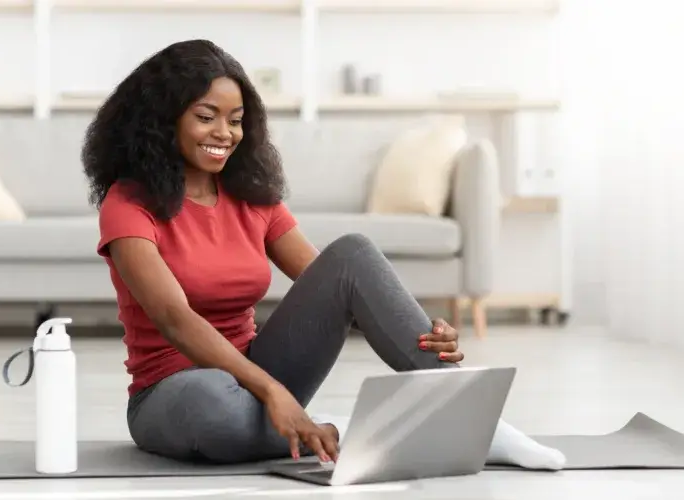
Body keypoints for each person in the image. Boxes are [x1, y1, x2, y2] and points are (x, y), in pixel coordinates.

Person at [82, 39, 566, 470]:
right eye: (206, 117)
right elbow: (173, 318)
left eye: (235, 121)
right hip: (175, 391)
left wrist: (423, 327)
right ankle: (338, 428)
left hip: (261, 370)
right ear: (164, 120)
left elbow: (339, 284)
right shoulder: (129, 203)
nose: (224, 133)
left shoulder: (251, 197)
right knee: (218, 410)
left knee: (353, 253)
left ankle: (476, 419)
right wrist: (273, 393)